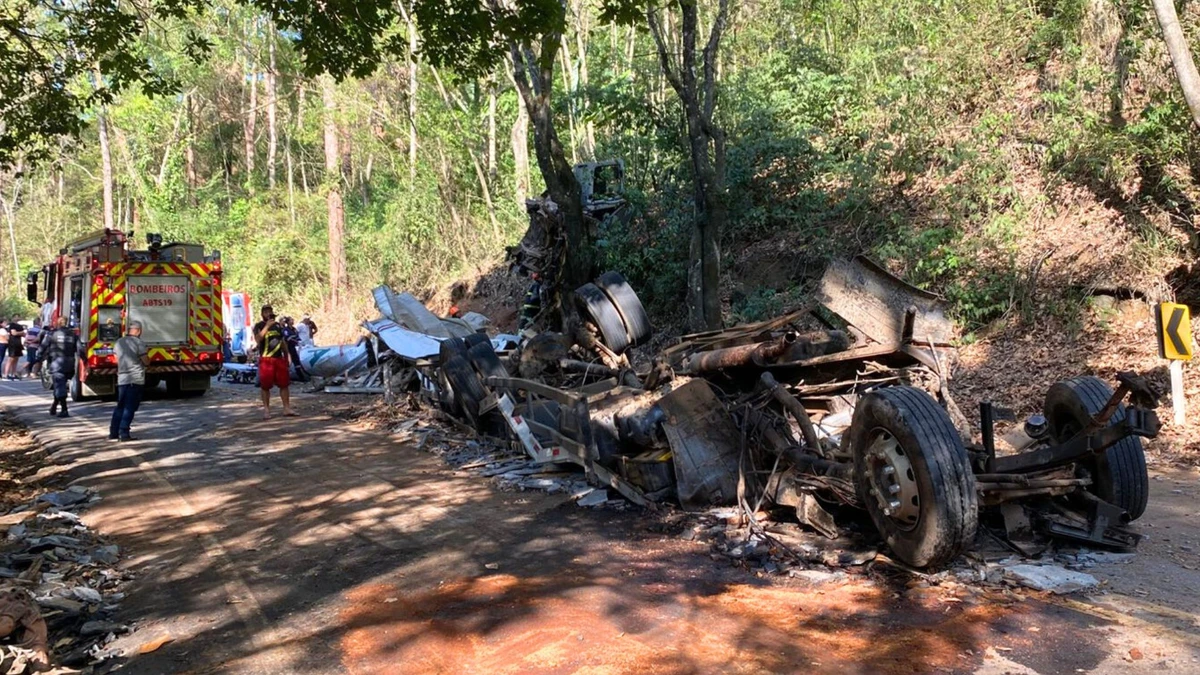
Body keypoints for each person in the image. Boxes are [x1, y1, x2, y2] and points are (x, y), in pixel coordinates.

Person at [253, 305, 297, 419]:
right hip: (266, 359)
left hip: (279, 359)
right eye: (266, 312)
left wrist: (287, 355)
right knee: (265, 386)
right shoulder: (259, 325)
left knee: (284, 384)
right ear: (262, 314)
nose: (268, 313)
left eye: (270, 311)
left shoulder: (277, 326)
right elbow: (258, 339)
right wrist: (267, 326)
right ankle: (266, 410)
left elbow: (282, 341)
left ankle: (286, 408)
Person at [109, 320, 150, 441]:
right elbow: (146, 361)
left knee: (120, 405)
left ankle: (113, 432)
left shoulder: (119, 342)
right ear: (139, 331)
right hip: (135, 378)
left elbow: (116, 359)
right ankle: (124, 432)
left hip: (122, 378)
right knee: (130, 407)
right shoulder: (139, 343)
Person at [38, 316, 77, 417]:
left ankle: (64, 409)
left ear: (58, 323)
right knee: (60, 385)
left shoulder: (51, 334)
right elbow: (80, 350)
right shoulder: (73, 334)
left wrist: (38, 356)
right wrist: (85, 361)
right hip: (69, 364)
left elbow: (43, 346)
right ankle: (54, 406)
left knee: (60, 386)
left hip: (57, 363)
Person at [4, 315, 25, 380]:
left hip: (18, 343)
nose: (17, 318)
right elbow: (14, 333)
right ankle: (6, 375)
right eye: (16, 316)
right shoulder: (12, 325)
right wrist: (21, 332)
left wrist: (20, 333)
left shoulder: (20, 326)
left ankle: (13, 374)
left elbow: (24, 334)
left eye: (18, 316)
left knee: (16, 359)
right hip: (12, 343)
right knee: (10, 359)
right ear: (13, 318)